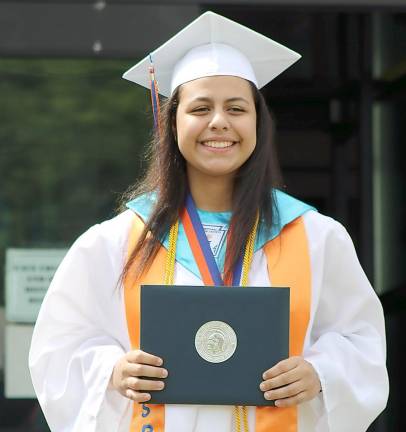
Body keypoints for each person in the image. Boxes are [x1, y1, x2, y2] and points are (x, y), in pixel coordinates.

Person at [29, 11, 389, 432]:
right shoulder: (112, 243)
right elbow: (58, 350)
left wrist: (321, 374)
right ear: (173, 122)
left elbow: (361, 343)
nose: (219, 122)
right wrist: (112, 371)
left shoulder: (316, 238)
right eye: (201, 107)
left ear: (258, 123)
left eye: (236, 108)